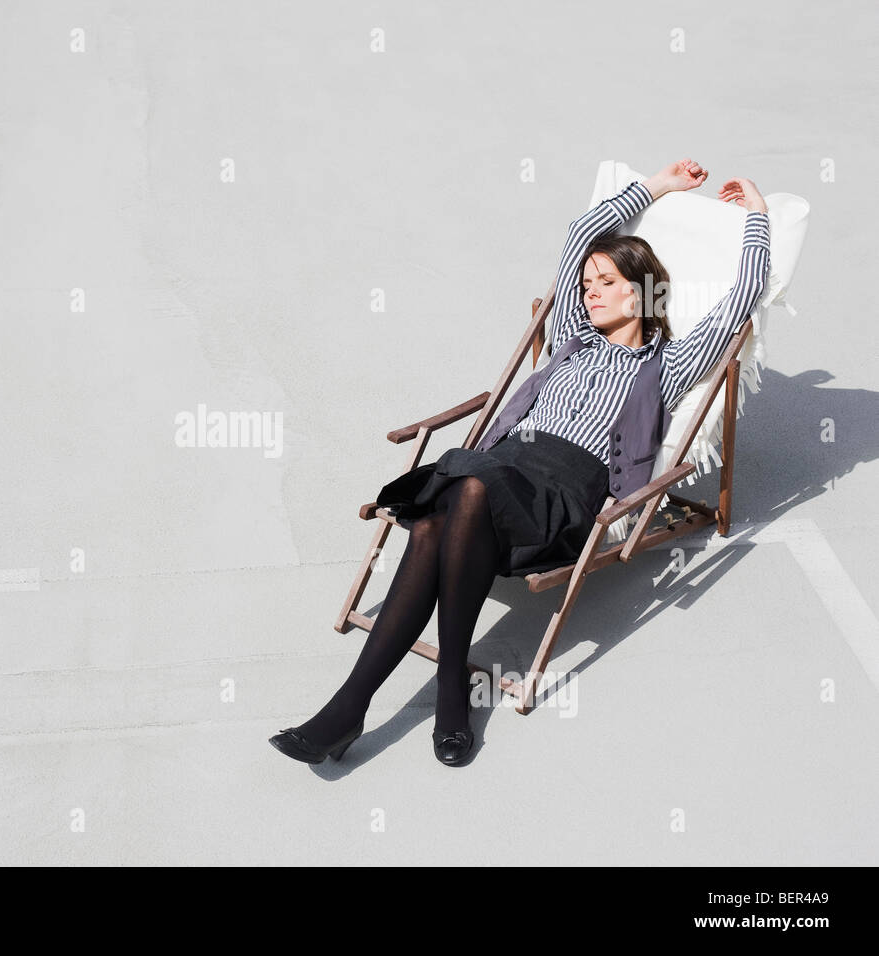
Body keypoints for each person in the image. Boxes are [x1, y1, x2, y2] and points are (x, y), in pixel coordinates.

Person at [270, 160, 772, 768]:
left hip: (564, 490)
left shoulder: (665, 367)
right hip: (500, 469)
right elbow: (578, 235)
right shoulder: (569, 336)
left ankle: (388, 700)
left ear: (641, 292)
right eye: (587, 283)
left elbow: (740, 299)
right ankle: (383, 702)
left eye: (605, 282)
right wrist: (657, 187)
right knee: (442, 513)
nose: (588, 291)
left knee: (464, 491)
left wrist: (758, 218)